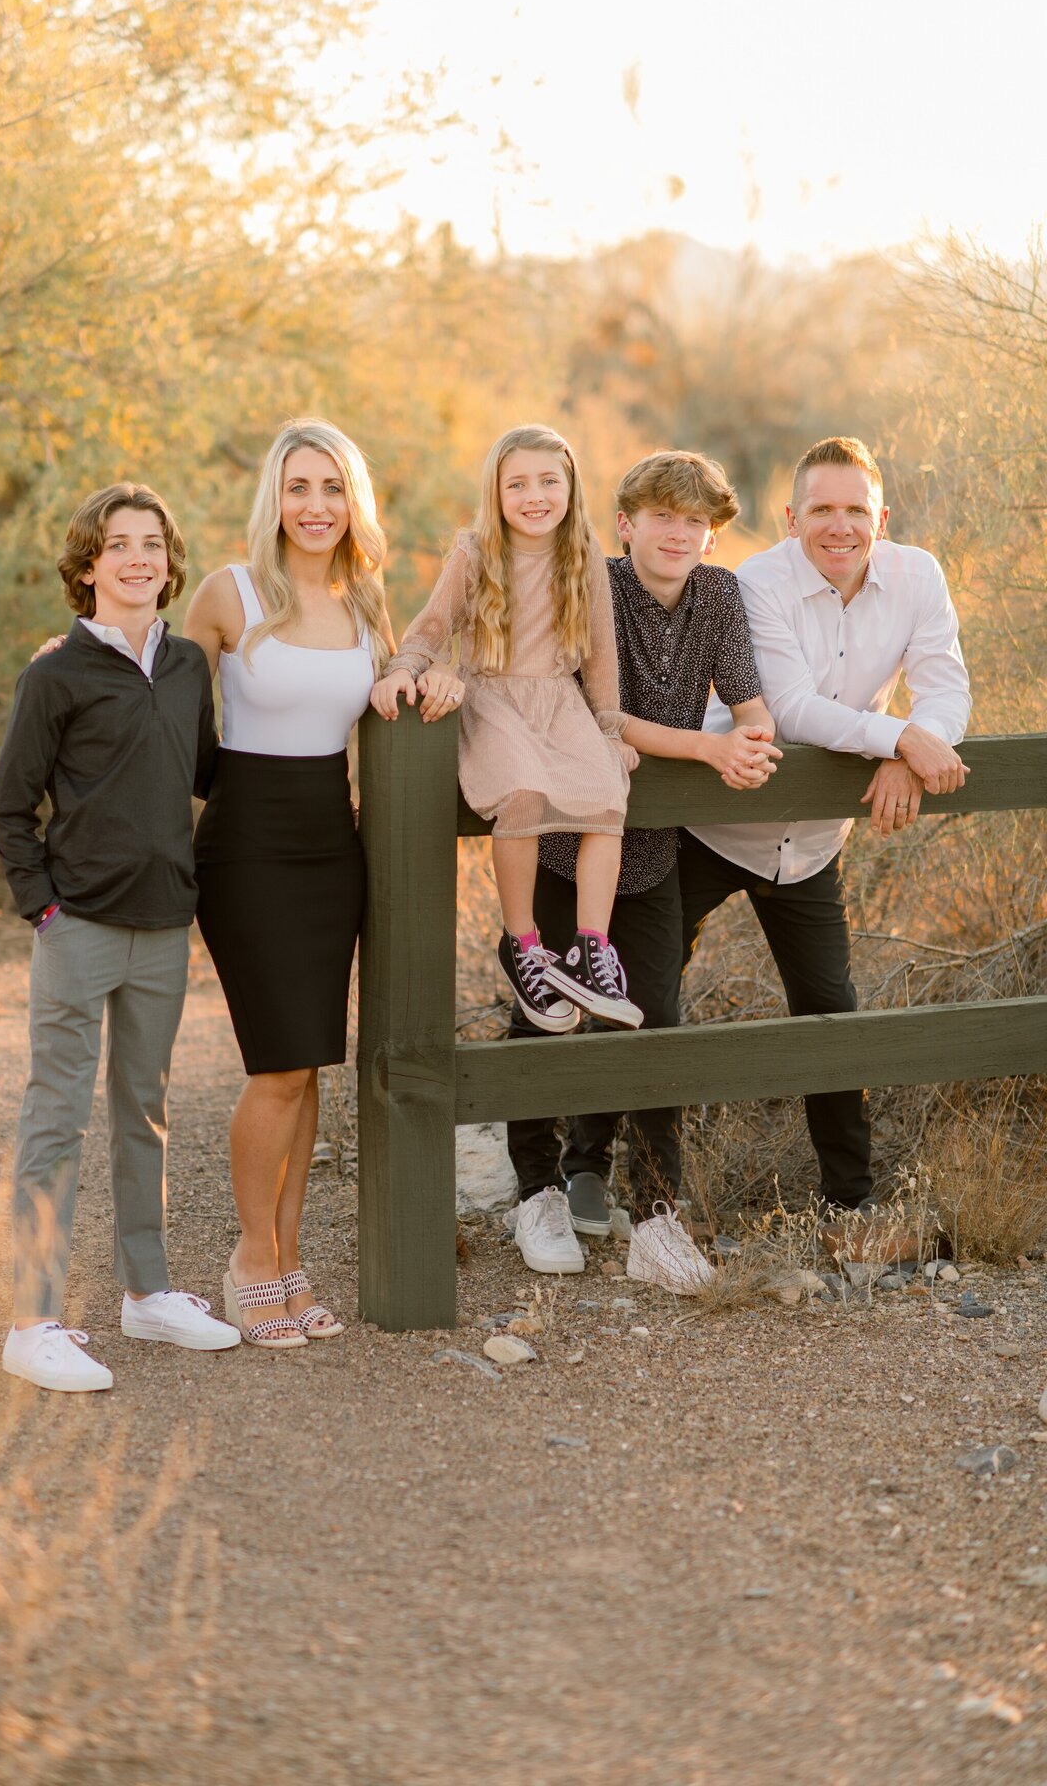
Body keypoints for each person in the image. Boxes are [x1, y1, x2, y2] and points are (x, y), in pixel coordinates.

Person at [502, 450, 780, 1280]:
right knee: (541, 1019)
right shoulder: (593, 585)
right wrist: (706, 747)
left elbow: (749, 699)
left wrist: (753, 743)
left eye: (696, 520)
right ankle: (537, 1194)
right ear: (627, 524)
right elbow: (602, 717)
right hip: (560, 840)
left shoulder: (720, 594)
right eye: (664, 516)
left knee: (657, 1022)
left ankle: (659, 1217)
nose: (680, 532)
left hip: (652, 852)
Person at [0, 483, 241, 1393]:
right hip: (79, 925)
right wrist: (45, 910)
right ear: (88, 566)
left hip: (164, 924)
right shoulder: (54, 673)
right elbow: (9, 807)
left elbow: (209, 771)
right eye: (117, 545)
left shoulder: (183, 669)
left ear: (170, 562)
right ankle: (31, 1320)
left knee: (146, 1112)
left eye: (152, 544)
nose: (137, 559)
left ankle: (148, 1293)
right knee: (54, 1118)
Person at [680, 435, 971, 1211]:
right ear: (790, 518)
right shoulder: (756, 581)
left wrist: (913, 749)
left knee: (830, 1013)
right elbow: (791, 709)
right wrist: (899, 735)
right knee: (646, 999)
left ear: (882, 515)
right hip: (713, 824)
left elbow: (946, 689)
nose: (839, 527)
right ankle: (597, 1176)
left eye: (855, 510)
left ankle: (851, 1203)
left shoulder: (919, 576)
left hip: (810, 845)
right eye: (821, 510)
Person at [185, 420, 426, 1347]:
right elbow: (160, 700)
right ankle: (251, 1255)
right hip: (247, 848)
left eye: (332, 489)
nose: (315, 506)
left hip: (335, 848)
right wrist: (69, 654)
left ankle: (290, 1259)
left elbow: (391, 708)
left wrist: (428, 675)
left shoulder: (369, 605)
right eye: (298, 488)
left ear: (352, 503)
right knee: (277, 1062)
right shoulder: (228, 593)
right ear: (274, 501)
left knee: (310, 1060)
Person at [372, 424, 642, 1033]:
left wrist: (608, 729)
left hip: (560, 701)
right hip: (492, 696)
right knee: (519, 789)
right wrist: (404, 669)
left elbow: (601, 654)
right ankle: (522, 944)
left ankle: (590, 949)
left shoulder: (585, 553)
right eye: (517, 484)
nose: (535, 496)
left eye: (550, 481)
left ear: (570, 486)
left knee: (606, 795)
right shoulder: (475, 552)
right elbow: (433, 626)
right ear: (495, 493)